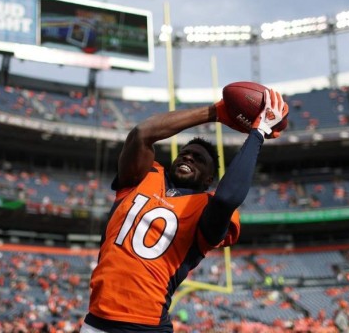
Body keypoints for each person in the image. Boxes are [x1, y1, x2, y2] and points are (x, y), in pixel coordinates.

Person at [81, 89, 288, 333]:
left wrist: (258, 134)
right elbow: (141, 134)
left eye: (198, 159)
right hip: (95, 321)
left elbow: (228, 198)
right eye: (184, 154)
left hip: (145, 326)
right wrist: (215, 112)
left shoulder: (205, 206)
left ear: (209, 177)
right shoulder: (145, 177)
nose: (188, 158)